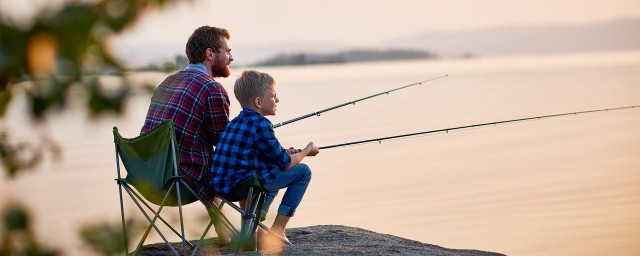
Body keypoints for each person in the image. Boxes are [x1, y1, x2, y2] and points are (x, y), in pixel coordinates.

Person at [140, 26, 234, 244]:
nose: (231, 57)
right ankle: (249, 236)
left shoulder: (167, 82)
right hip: (179, 182)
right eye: (227, 51)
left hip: (147, 177)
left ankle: (224, 233)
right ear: (210, 54)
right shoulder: (212, 89)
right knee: (238, 163)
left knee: (205, 160)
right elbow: (223, 145)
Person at [210, 70, 319, 248]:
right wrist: (306, 151)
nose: (277, 101)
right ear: (259, 102)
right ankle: (277, 230)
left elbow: (260, 153)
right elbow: (284, 163)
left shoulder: (234, 123)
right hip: (244, 186)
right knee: (303, 172)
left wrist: (287, 152)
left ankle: (253, 229)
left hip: (221, 188)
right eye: (274, 96)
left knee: (270, 170)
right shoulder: (261, 124)